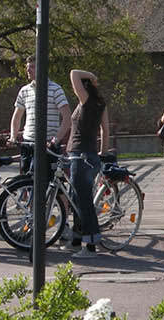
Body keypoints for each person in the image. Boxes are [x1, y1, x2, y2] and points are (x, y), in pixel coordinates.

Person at [52, 69, 111, 258]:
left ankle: (91, 243)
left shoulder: (85, 100)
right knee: (75, 198)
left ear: (84, 87)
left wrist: (91, 76)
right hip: (90, 155)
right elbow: (105, 131)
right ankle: (78, 238)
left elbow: (73, 73)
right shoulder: (101, 103)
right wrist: (102, 152)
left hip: (80, 155)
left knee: (83, 200)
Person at [8, 55, 72, 174]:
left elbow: (67, 117)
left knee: (51, 182)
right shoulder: (24, 90)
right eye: (27, 67)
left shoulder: (55, 89)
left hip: (48, 144)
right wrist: (13, 136)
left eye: (32, 67)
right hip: (28, 143)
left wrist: (55, 140)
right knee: (27, 181)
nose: (28, 70)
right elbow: (17, 117)